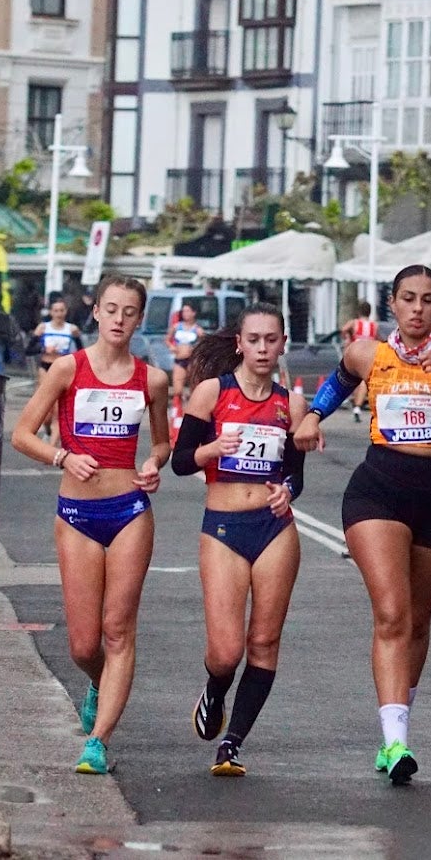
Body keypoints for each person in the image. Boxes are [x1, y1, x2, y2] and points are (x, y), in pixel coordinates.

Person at [294, 264, 431, 785]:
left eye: (427, 300)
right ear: (392, 304)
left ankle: (398, 720)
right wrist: (313, 415)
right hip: (379, 492)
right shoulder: (368, 353)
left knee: (418, 622)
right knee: (391, 614)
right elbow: (337, 382)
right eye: (408, 298)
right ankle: (395, 742)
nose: (417, 309)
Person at [10, 276, 172, 775]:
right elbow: (21, 434)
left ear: (139, 319)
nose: (120, 319)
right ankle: (99, 682)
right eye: (112, 309)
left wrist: (153, 463)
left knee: (118, 630)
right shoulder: (67, 369)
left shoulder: (152, 379)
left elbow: (162, 442)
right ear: (96, 312)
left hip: (129, 512)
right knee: (84, 644)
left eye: (130, 311)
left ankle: (98, 741)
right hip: (78, 515)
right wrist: (63, 457)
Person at [170, 303, 308, 777]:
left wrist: (287, 490)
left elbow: (295, 474)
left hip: (274, 530)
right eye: (254, 340)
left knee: (264, 641)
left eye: (271, 340)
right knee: (227, 651)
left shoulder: (291, 405)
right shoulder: (213, 392)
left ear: (283, 344)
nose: (263, 348)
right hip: (224, 529)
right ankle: (215, 687)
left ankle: (232, 743)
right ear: (240, 344)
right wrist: (212, 448)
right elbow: (181, 461)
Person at [33, 300, 86, 445]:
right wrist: (44, 349)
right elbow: (29, 350)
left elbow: (81, 351)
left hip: (62, 369)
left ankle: (51, 447)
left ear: (66, 312)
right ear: (51, 312)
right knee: (46, 411)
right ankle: (48, 430)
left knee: (58, 409)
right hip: (46, 367)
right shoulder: (44, 327)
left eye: (61, 310)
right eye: (56, 311)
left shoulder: (71, 329)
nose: (59, 314)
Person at [340, 302, 379, 422]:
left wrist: (347, 338)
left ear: (359, 311)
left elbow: (344, 329)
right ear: (369, 312)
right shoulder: (374, 325)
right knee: (363, 380)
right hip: (369, 353)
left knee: (351, 377)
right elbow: (376, 338)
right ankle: (357, 406)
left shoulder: (355, 323)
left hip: (356, 351)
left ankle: (350, 400)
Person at [168, 303, 204, 401]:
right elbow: (167, 339)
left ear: (193, 313)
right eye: (183, 311)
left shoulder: (198, 329)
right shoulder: (176, 327)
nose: (185, 314)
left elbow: (204, 343)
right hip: (179, 359)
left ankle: (192, 406)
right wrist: (171, 347)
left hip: (191, 361)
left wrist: (196, 349)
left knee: (194, 387)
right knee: (177, 390)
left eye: (187, 311)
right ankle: (177, 408)